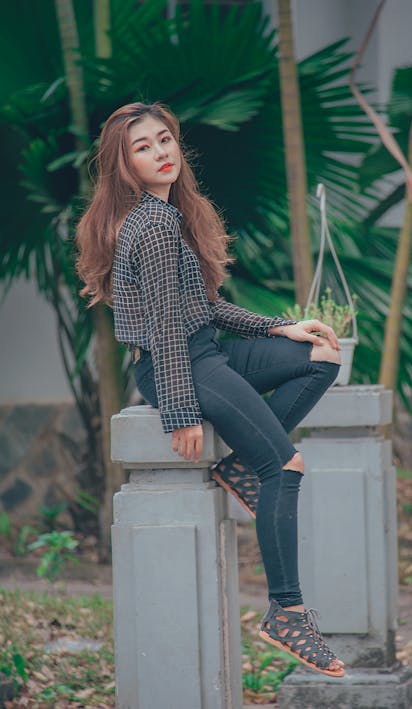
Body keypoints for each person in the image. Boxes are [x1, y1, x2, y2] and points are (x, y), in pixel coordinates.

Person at [76, 102, 345, 678]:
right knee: (287, 466)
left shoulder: (172, 213)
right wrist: (179, 410)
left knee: (320, 356)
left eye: (164, 138)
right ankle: (287, 612)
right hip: (181, 363)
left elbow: (203, 307)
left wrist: (279, 327)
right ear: (123, 164)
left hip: (207, 348)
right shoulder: (150, 224)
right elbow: (168, 330)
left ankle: (246, 466)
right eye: (142, 147)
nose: (160, 151)